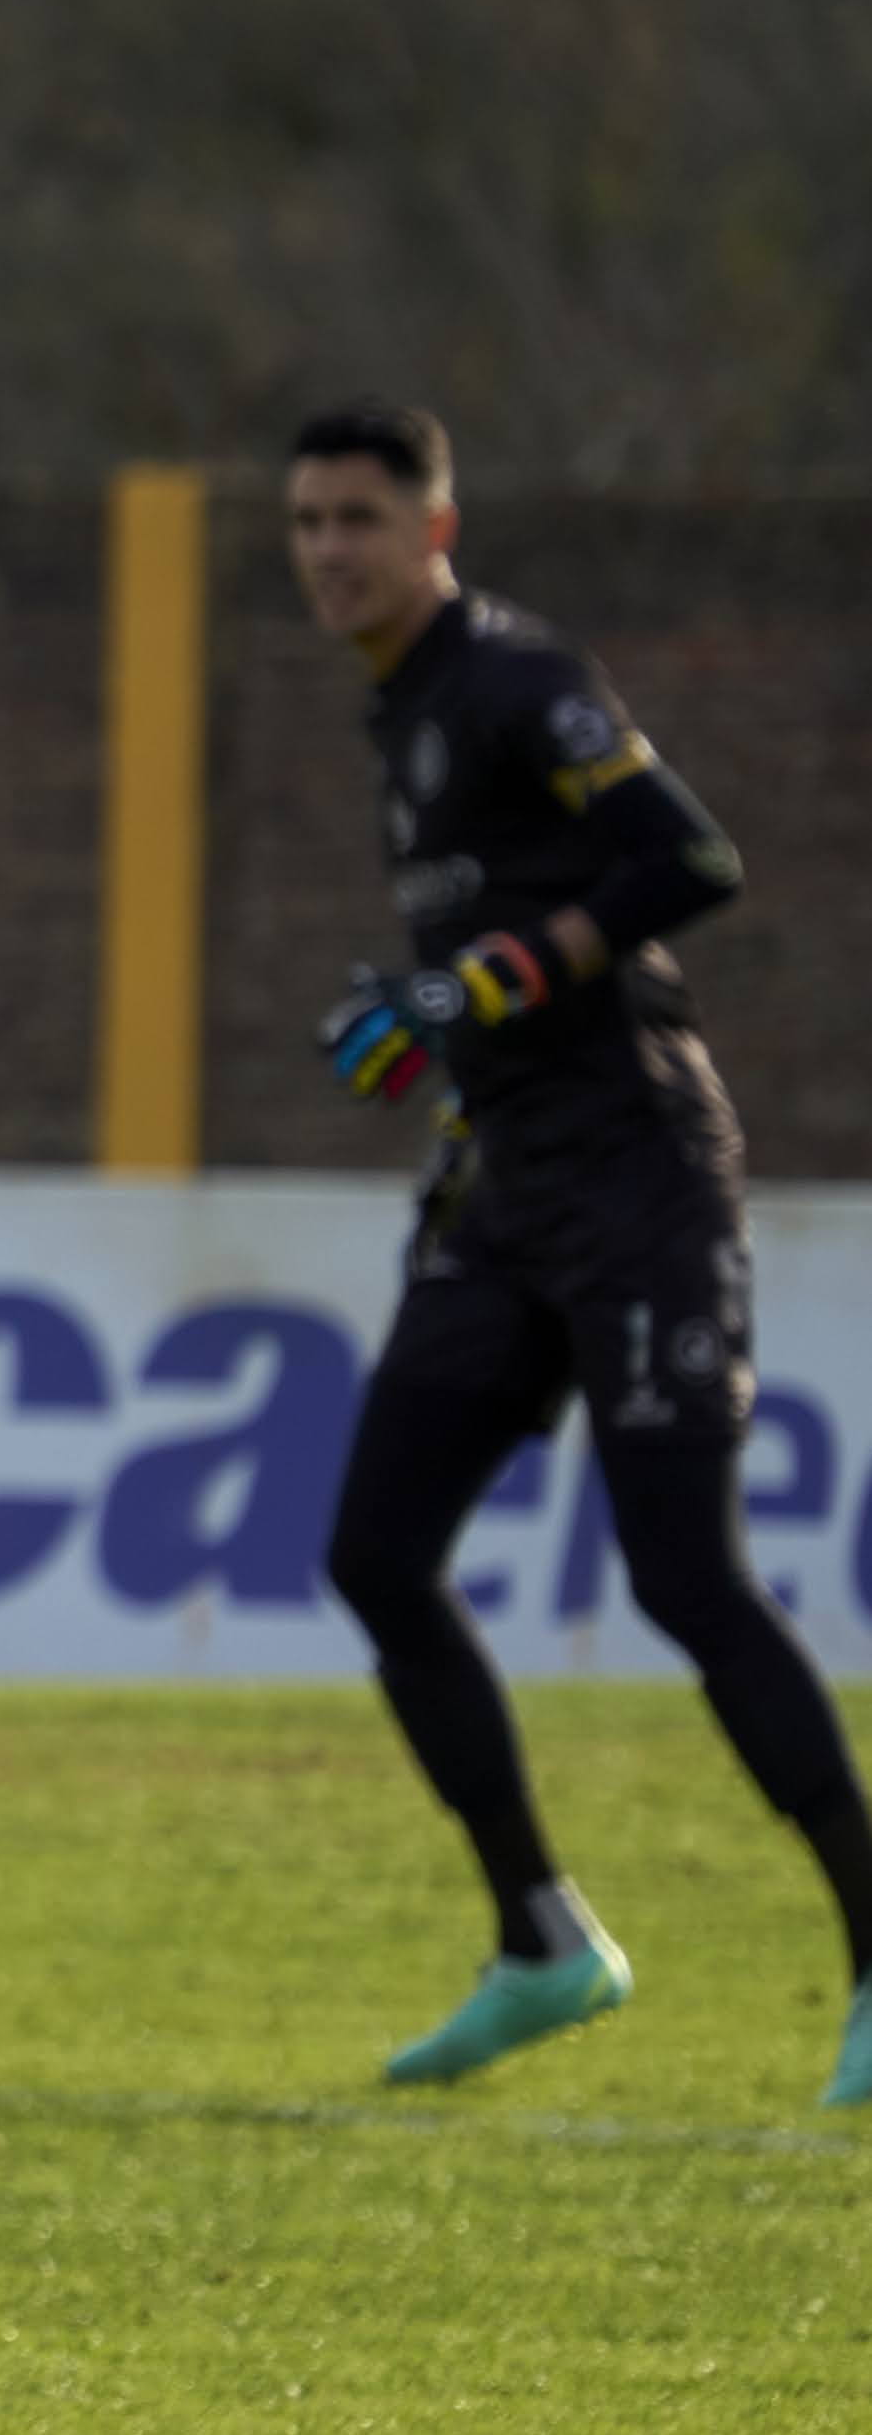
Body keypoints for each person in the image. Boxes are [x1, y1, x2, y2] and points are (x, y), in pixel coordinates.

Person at [294, 399, 872, 2108]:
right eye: (308, 522)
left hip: (637, 1172)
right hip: (506, 1186)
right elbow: (495, 958)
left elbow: (685, 858)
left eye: (359, 520)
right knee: (376, 1553)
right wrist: (426, 1036)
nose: (329, 551)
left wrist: (482, 986)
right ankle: (541, 1936)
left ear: (435, 531)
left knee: (685, 1576)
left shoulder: (513, 681)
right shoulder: (397, 713)